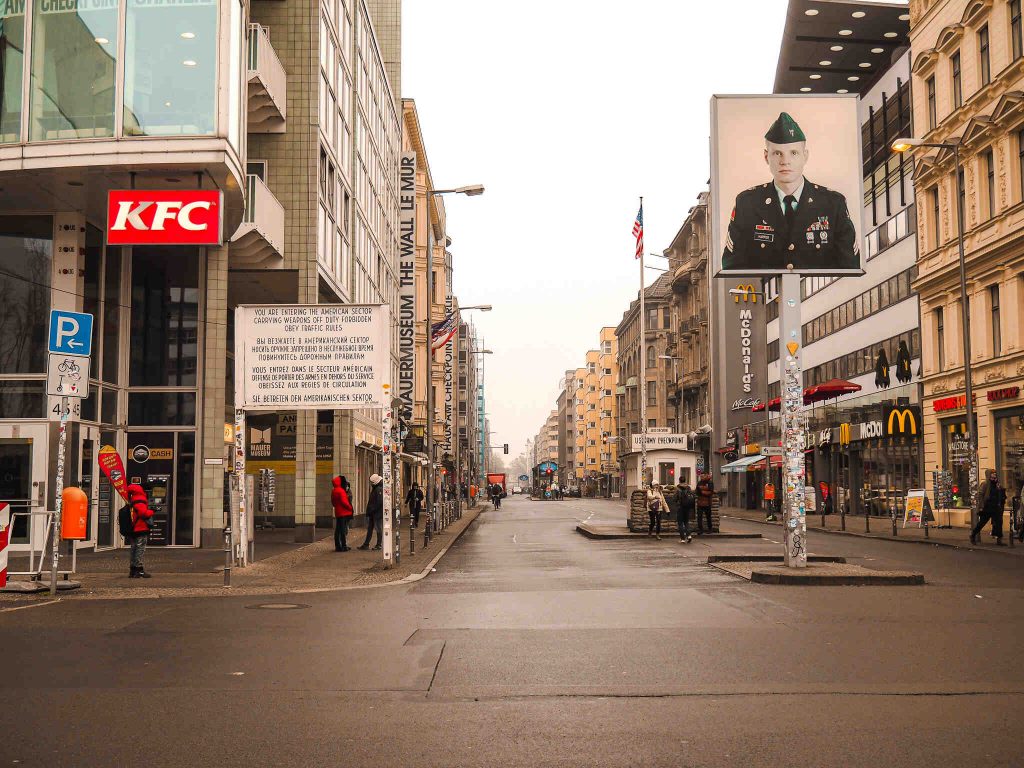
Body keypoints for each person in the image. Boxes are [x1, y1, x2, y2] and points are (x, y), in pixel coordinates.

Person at [722, 111, 858, 273]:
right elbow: (733, 267)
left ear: (805, 156)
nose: (785, 161)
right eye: (777, 153)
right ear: (766, 157)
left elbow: (850, 266)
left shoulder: (833, 203)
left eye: (793, 153)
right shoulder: (747, 204)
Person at [970, 469, 1006, 546]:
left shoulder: (997, 484)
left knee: (999, 523)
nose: (994, 474)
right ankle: (973, 535)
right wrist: (982, 506)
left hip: (996, 507)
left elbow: (1001, 494)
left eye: (995, 473)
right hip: (987, 507)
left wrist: (1000, 489)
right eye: (993, 473)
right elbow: (980, 495)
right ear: (989, 475)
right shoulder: (985, 484)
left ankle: (999, 540)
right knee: (982, 523)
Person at [125, 484, 153, 578]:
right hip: (140, 528)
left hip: (133, 528)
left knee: (134, 549)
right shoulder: (140, 499)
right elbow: (144, 514)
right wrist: (152, 511)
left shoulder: (132, 499)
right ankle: (138, 570)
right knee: (140, 549)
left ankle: (132, 570)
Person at [358, 473, 384, 550]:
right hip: (374, 512)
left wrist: (372, 510)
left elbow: (379, 502)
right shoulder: (377, 488)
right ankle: (366, 544)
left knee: (378, 528)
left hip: (376, 513)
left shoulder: (378, 489)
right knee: (370, 528)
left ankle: (378, 544)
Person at [331, 476, 353, 551]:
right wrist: (350, 508)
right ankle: (344, 545)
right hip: (343, 512)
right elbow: (345, 502)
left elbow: (333, 503)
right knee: (343, 530)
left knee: (338, 530)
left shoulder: (334, 490)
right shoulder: (341, 491)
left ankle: (338, 546)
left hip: (338, 512)